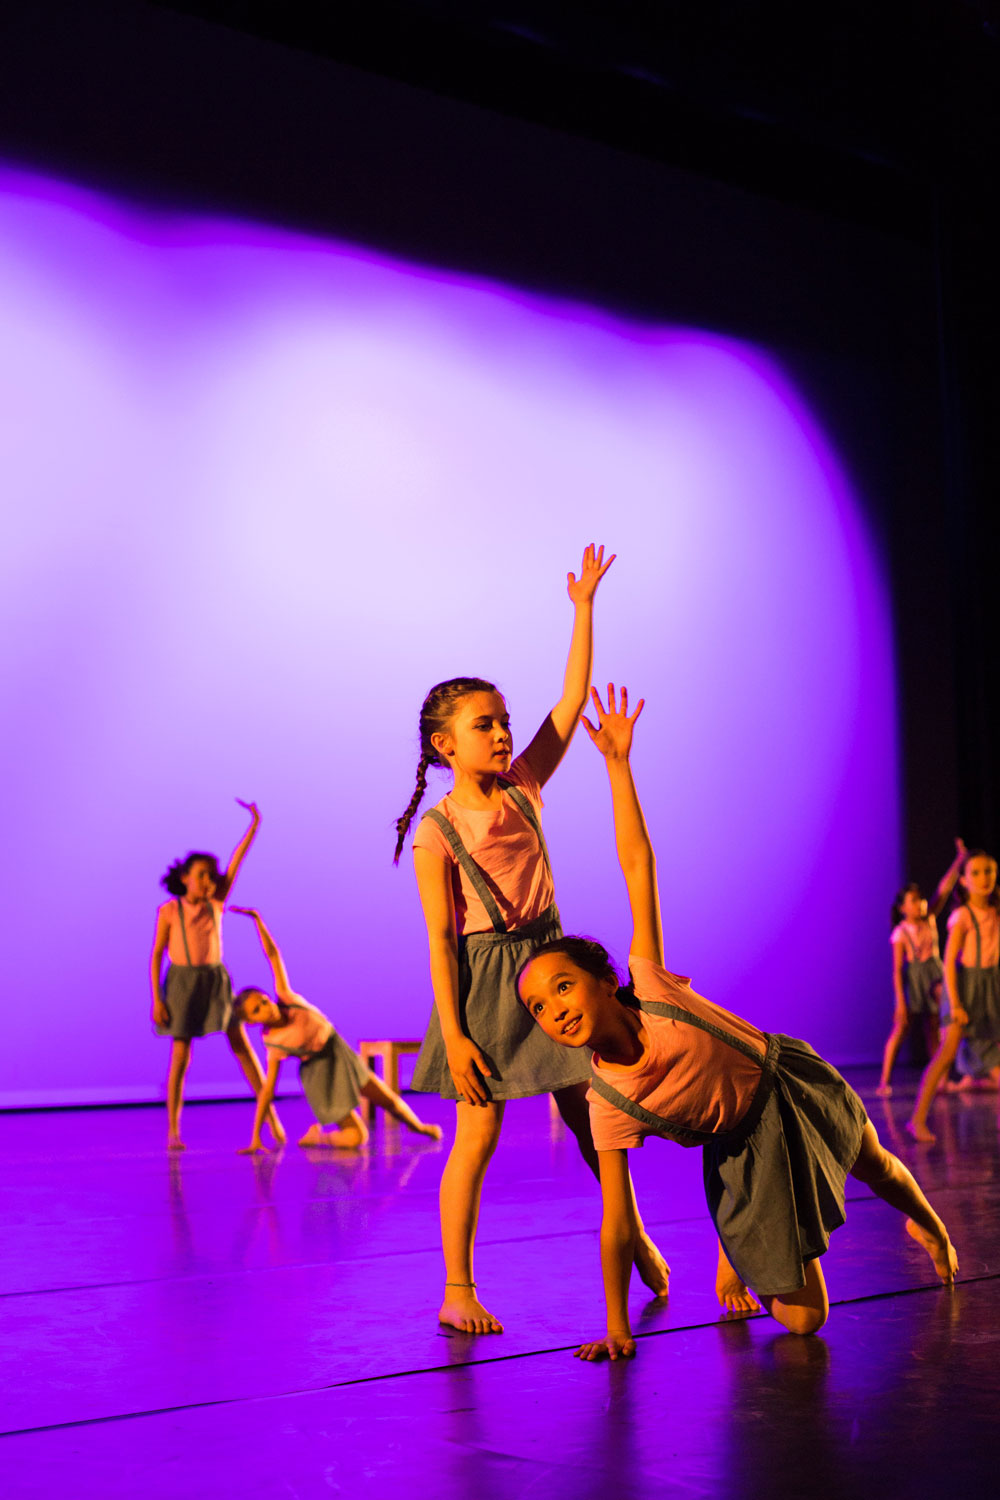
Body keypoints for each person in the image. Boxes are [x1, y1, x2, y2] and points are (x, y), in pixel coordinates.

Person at [517, 685, 957, 1357]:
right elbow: (615, 1221)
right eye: (540, 1009)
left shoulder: (654, 984)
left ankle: (931, 1226)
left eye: (563, 988)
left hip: (787, 1083)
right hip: (742, 1149)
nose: (555, 1011)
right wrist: (616, 1326)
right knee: (806, 1323)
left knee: (874, 1162)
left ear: (607, 981)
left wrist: (618, 765)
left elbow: (639, 864)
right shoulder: (608, 1102)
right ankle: (742, 1243)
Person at [395, 547, 669, 1335]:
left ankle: (638, 1241)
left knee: (595, 1118)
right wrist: (453, 1031)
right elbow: (442, 941)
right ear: (446, 744)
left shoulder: (525, 788)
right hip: (486, 985)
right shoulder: (439, 832)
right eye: (484, 725)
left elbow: (571, 700)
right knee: (477, 1133)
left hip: (549, 968)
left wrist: (582, 607)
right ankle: (457, 1286)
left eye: (504, 721)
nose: (503, 733)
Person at [232, 908, 443, 1151]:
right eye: (257, 1010)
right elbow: (268, 1090)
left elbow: (273, 956)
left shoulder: (287, 998)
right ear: (251, 1022)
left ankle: (418, 1126)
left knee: (390, 1101)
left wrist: (258, 920)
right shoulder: (274, 1043)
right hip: (320, 1074)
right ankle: (318, 1138)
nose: (266, 1008)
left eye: (263, 1001)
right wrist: (256, 1136)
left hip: (338, 1051)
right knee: (357, 1138)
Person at [150, 800, 283, 1151]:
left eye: (212, 875)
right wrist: (157, 999)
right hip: (181, 984)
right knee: (181, 1056)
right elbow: (156, 957)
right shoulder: (169, 910)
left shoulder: (216, 902)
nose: (209, 881)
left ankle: (270, 1119)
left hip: (215, 981)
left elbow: (237, 862)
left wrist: (254, 824)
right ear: (185, 879)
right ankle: (174, 1130)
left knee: (241, 1047)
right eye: (202, 876)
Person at [907, 849, 1000, 1141]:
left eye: (988, 871)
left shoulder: (996, 912)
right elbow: (949, 963)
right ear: (964, 880)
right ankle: (917, 1119)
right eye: (975, 872)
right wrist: (956, 1002)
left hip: (989, 987)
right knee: (945, 1054)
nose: (983, 878)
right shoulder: (961, 915)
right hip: (963, 988)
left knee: (995, 1059)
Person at [877, 841, 965, 1095]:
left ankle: (942, 1078)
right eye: (914, 901)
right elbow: (897, 970)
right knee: (901, 1028)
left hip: (934, 975)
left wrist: (959, 861)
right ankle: (885, 1081)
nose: (921, 904)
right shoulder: (900, 933)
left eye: (922, 900)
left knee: (935, 1028)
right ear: (903, 908)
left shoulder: (930, 919)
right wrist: (901, 1002)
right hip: (914, 981)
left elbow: (945, 888)